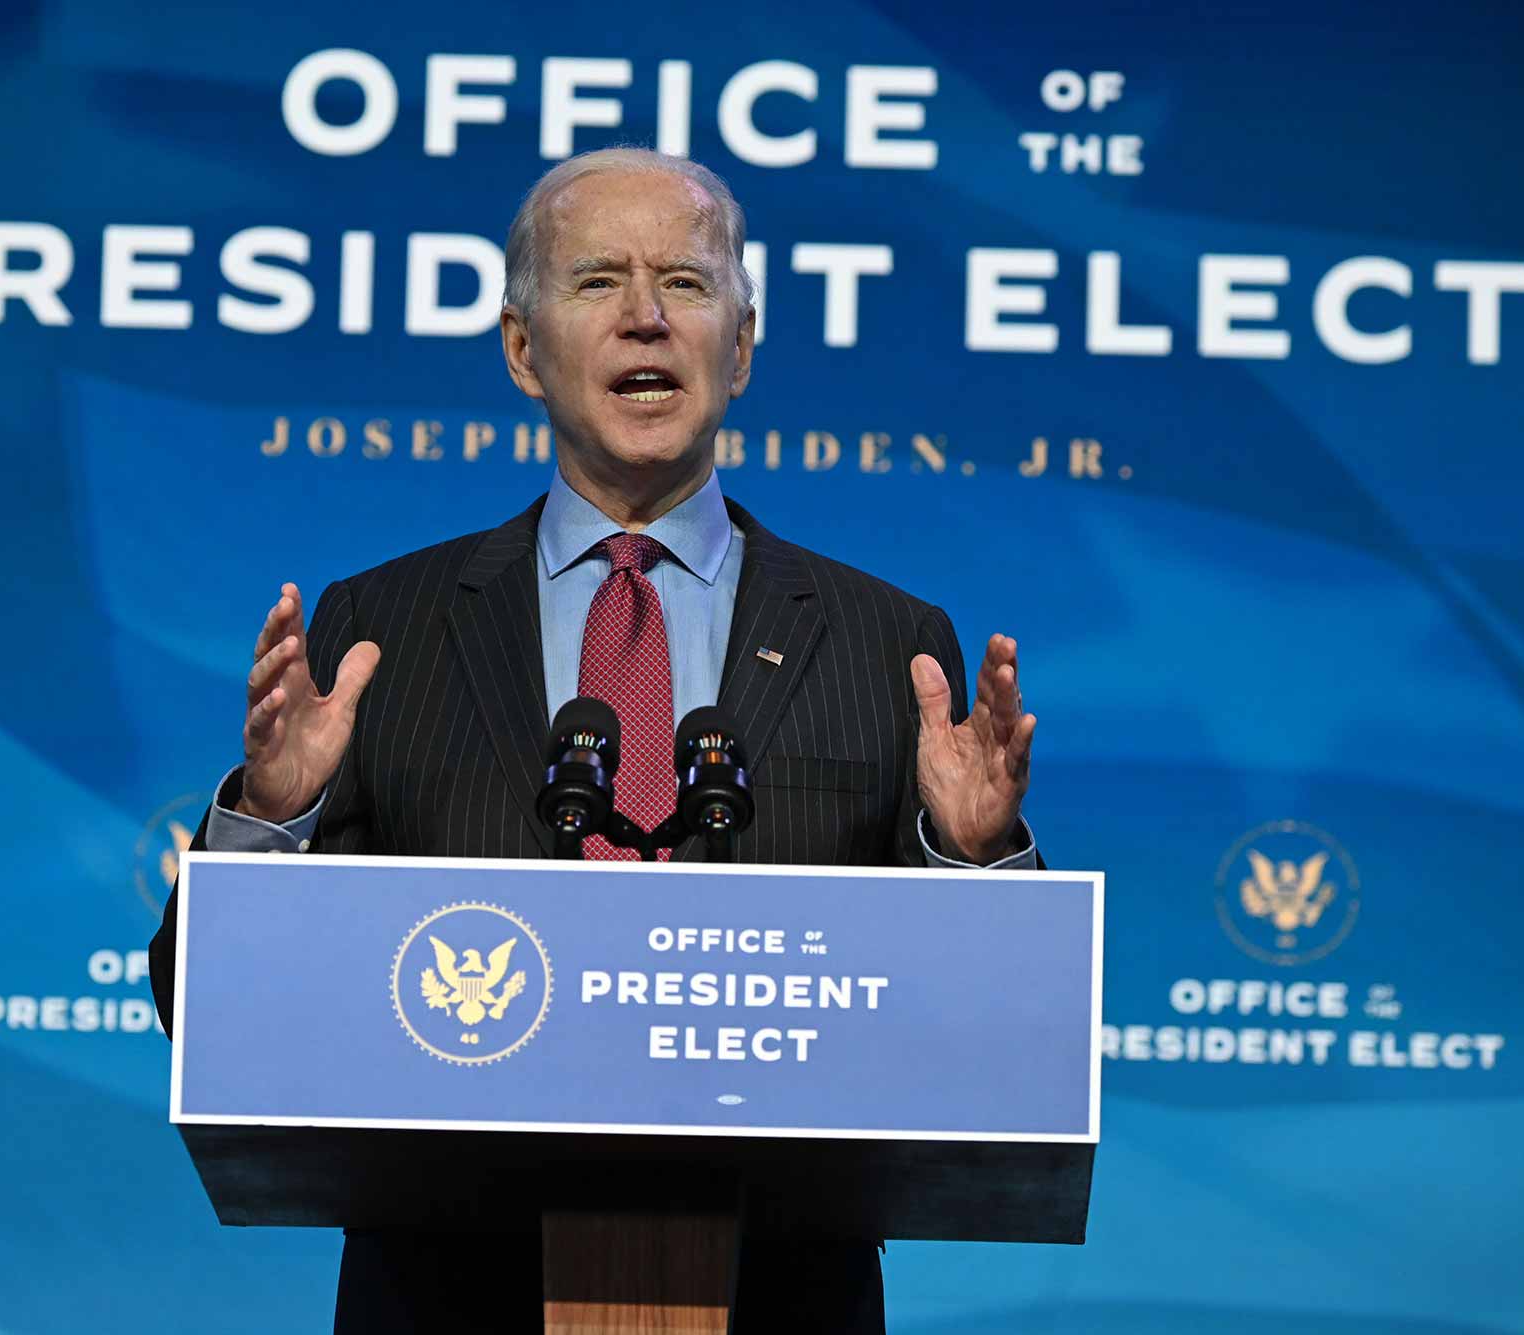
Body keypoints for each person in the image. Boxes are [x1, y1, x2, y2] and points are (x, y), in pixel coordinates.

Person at [150, 148, 1039, 1334]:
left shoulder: (888, 644)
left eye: (683, 281)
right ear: (522, 349)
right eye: (596, 284)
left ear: (742, 345)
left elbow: (980, 1038)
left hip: (778, 1290)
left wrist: (971, 860)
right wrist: (275, 821)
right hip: (447, 1287)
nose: (644, 319)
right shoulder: (381, 632)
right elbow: (202, 1009)